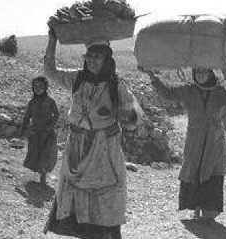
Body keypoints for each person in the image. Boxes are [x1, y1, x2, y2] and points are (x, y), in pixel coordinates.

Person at [43, 29, 145, 239]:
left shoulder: (116, 85)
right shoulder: (77, 79)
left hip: (103, 149)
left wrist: (126, 117)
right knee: (75, 194)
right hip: (76, 147)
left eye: (97, 56)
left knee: (102, 195)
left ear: (107, 58)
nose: (91, 60)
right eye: (88, 56)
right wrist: (52, 41)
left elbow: (134, 119)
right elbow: (50, 71)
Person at [144, 66, 226, 221]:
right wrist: (153, 77)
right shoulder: (188, 90)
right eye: (198, 72)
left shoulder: (220, 92)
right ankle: (195, 207)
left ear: (210, 73)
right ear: (194, 73)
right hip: (194, 138)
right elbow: (167, 94)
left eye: (204, 72)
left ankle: (208, 209)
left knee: (212, 169)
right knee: (193, 169)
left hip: (214, 139)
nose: (201, 75)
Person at [21, 76, 59, 185]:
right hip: (35, 134)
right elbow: (27, 116)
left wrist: (49, 126)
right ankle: (39, 174)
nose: (38, 88)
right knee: (35, 153)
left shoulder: (50, 101)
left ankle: (43, 177)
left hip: (47, 134)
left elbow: (56, 115)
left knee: (46, 154)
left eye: (41, 86)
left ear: (45, 87)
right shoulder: (31, 102)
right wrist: (23, 129)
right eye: (35, 86)